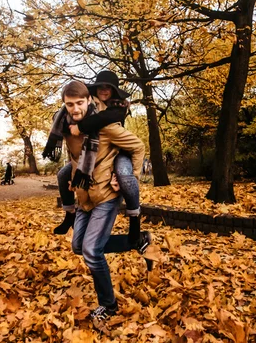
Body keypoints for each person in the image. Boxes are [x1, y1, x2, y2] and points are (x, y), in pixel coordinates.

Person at [46, 80, 150, 323]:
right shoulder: (62, 125)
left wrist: (128, 179)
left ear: (88, 100)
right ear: (64, 104)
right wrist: (73, 180)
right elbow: (74, 160)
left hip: (105, 195)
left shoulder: (104, 124)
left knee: (92, 251)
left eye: (79, 103)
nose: (75, 108)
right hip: (84, 197)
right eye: (69, 104)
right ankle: (138, 241)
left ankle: (109, 305)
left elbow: (138, 146)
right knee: (78, 246)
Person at [44, 70, 144, 251]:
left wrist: (81, 126)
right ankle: (69, 214)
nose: (104, 91)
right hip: (94, 155)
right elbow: (70, 128)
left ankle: (135, 219)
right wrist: (74, 178)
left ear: (114, 91)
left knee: (123, 175)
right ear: (94, 90)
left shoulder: (117, 107)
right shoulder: (82, 108)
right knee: (63, 174)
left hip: (120, 152)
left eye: (109, 88)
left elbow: (105, 120)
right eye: (101, 87)